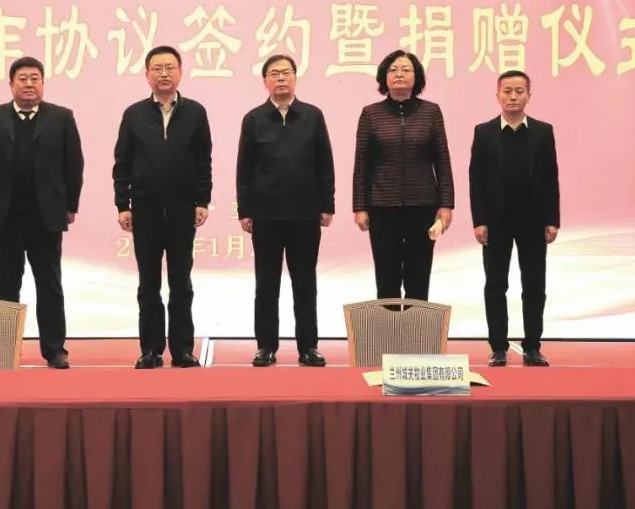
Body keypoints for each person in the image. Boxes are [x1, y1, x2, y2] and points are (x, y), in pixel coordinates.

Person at [0, 56, 84, 369]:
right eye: (23, 78)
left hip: (46, 216)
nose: (29, 84)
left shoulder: (61, 117)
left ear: (43, 84)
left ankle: (55, 349)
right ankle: (4, 350)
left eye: (35, 78)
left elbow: (74, 164)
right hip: (5, 214)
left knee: (49, 284)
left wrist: (70, 206)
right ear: (11, 84)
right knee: (7, 284)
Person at [113, 46, 212, 369]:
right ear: (147, 75)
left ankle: (182, 349)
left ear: (180, 72)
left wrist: (202, 200)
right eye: (157, 68)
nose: (164, 73)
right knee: (149, 283)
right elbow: (122, 163)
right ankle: (151, 350)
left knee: (181, 282)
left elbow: (204, 161)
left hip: (183, 209)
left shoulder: (195, 112)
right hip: (145, 210)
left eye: (170, 67)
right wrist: (123, 204)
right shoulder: (134, 114)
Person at [236, 55, 335, 368]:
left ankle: (309, 347)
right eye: (274, 73)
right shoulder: (253, 119)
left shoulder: (312, 116)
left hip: (305, 213)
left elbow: (325, 163)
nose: (281, 78)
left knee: (305, 282)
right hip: (265, 214)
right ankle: (266, 347)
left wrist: (327, 204)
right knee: (266, 283)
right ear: (265, 81)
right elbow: (244, 168)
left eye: (286, 73)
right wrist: (245, 209)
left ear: (295, 78)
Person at [469, 70, 560, 367]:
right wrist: (479, 220)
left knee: (534, 285)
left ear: (529, 96)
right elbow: (476, 180)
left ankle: (533, 346)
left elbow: (550, 178)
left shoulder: (543, 131)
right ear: (497, 96)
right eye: (507, 91)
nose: (512, 96)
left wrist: (552, 219)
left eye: (519, 91)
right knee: (495, 284)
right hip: (496, 221)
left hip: (533, 221)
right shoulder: (483, 132)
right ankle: (498, 347)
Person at [352, 50, 454, 300]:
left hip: (423, 206)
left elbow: (442, 160)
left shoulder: (431, 112)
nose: (399, 74)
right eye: (393, 69)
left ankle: (415, 326)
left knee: (419, 276)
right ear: (383, 77)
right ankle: (388, 327)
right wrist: (360, 207)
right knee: (386, 277)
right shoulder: (370, 113)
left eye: (406, 69)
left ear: (416, 77)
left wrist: (446, 204)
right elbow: (361, 164)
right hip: (382, 208)